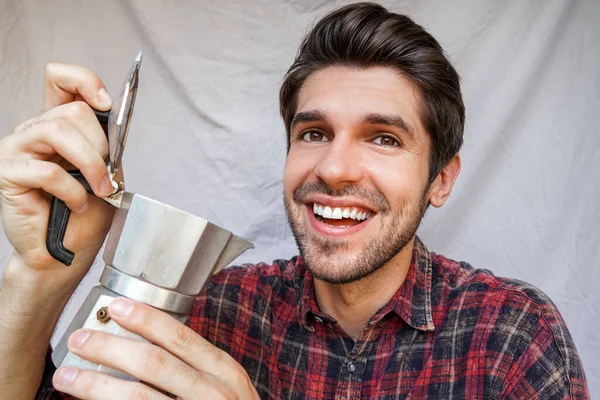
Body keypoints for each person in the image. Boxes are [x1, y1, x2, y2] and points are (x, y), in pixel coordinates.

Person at [0, 2, 589, 399]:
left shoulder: (511, 338)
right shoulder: (212, 309)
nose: (332, 168)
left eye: (384, 138)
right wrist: (37, 275)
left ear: (441, 179)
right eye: (313, 133)